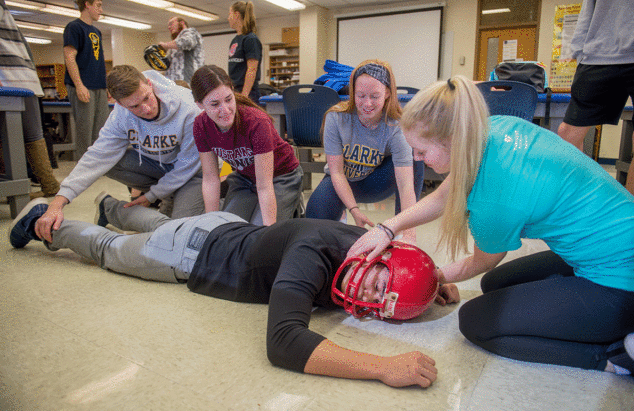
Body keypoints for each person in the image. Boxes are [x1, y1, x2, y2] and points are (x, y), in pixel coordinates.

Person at [9, 193, 460, 388]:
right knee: (110, 251)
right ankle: (45, 223)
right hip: (190, 254)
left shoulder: (367, 245)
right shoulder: (314, 253)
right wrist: (381, 366)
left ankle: (112, 205)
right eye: (380, 283)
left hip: (224, 226)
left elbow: (404, 271)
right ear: (378, 257)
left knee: (165, 224)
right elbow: (282, 343)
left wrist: (429, 282)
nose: (370, 295)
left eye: (382, 301)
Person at [348, 75, 634, 377]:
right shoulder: (496, 127)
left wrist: (427, 280)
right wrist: (386, 229)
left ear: (453, 141)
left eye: (422, 151)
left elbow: (480, 262)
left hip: (625, 281)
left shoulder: (494, 202)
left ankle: (616, 356)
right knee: (494, 285)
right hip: (619, 245)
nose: (416, 158)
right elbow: (442, 197)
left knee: (476, 322)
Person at [34, 65, 204, 243]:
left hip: (190, 174)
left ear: (149, 83)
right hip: (160, 169)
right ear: (119, 103)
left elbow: (188, 166)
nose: (146, 109)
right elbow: (96, 157)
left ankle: (113, 209)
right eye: (135, 106)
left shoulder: (188, 107)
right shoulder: (121, 115)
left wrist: (152, 195)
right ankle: (163, 197)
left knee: (181, 235)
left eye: (147, 98)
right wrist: (57, 203)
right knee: (110, 160)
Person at [305, 60, 424, 243]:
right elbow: (336, 172)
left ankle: (402, 231)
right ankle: (340, 212)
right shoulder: (336, 118)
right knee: (313, 220)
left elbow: (406, 185)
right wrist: (354, 209)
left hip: (375, 181)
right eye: (360, 95)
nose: (367, 103)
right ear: (353, 92)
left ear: (387, 94)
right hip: (342, 180)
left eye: (375, 96)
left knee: (415, 159)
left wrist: (409, 236)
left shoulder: (396, 126)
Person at [190, 65, 302, 226]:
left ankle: (294, 207)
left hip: (281, 176)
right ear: (200, 104)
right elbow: (210, 178)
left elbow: (264, 186)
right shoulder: (200, 125)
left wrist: (267, 234)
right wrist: (211, 224)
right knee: (228, 228)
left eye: (229, 99)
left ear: (233, 92)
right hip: (245, 178)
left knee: (257, 233)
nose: (226, 110)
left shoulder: (256, 122)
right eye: (215, 104)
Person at [556, 0, 634, 200]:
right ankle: (577, 203)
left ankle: (630, 219)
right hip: (599, 51)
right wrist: (579, 47)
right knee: (567, 133)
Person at [0, 0, 59, 197]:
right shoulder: (6, 15)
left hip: (10, 79)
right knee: (31, 135)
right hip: (24, 78)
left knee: (23, 135)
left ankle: (22, 188)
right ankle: (46, 185)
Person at [63, 0, 110, 157]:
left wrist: (106, 86)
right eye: (97, 6)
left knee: (101, 130)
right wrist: (79, 85)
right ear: (87, 5)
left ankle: (97, 166)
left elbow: (98, 61)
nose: (100, 10)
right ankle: (82, 170)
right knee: (85, 130)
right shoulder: (74, 27)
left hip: (98, 86)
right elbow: (69, 56)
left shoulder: (96, 32)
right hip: (83, 86)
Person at [227, 1, 262, 104]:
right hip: (235, 90)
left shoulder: (250, 39)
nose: (228, 18)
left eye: (230, 14)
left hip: (248, 93)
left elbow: (252, 69)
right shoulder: (235, 40)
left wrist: (244, 95)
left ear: (236, 15)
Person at [158, 17, 205, 83]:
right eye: (168, 25)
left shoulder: (191, 32)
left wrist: (165, 45)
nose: (169, 27)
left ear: (182, 23)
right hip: (175, 84)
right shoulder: (174, 47)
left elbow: (186, 42)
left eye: (171, 24)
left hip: (188, 82)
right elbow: (167, 65)